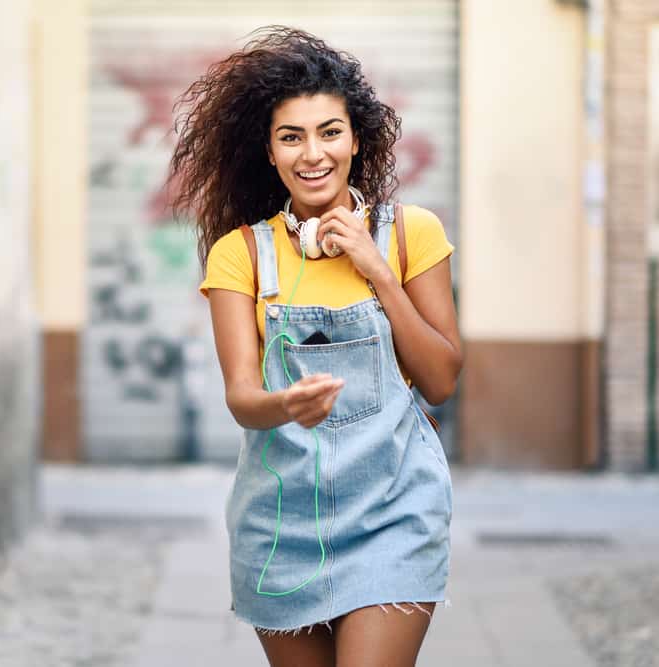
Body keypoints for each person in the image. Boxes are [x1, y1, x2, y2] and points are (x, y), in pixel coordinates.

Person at [166, 26, 463, 667]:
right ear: (269, 153)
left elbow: (441, 378)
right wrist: (287, 406)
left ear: (357, 139)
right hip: (281, 526)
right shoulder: (240, 253)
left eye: (329, 131)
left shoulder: (412, 235)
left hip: (393, 512)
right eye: (291, 137)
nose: (313, 154)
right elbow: (243, 398)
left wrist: (376, 268)